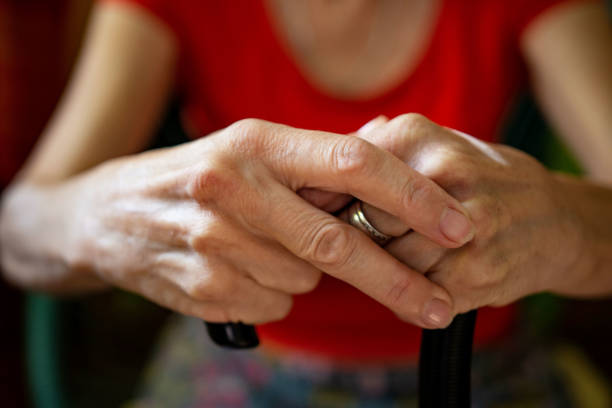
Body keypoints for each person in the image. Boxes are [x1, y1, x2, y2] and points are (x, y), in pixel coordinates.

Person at [1, 0, 611, 405]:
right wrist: (110, 215)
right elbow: (18, 232)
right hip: (238, 369)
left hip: (478, 373)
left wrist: (563, 223)